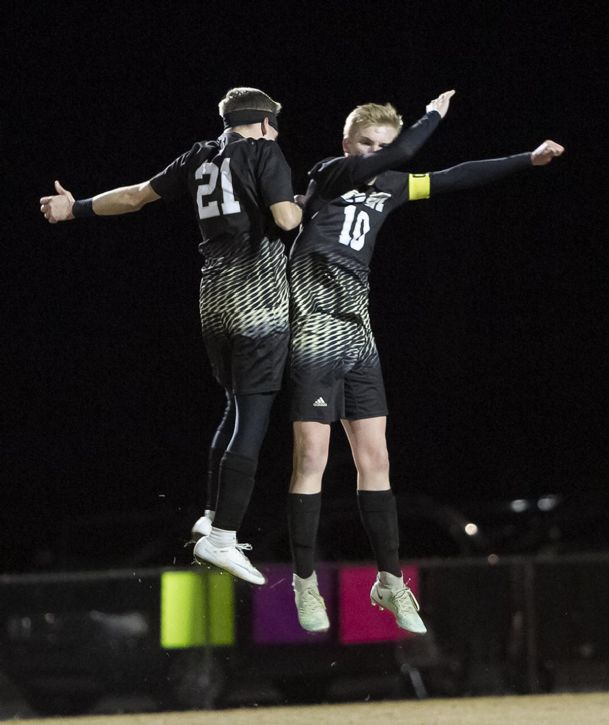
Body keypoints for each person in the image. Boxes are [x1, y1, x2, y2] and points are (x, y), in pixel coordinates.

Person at [286, 91, 564, 633]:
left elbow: (456, 175)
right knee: (312, 458)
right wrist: (432, 115)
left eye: (382, 145)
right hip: (314, 329)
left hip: (358, 332)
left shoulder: (390, 186)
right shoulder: (330, 174)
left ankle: (389, 582)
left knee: (377, 461)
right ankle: (304, 585)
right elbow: (405, 151)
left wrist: (526, 160)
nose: (377, 153)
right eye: (367, 144)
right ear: (348, 145)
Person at [40, 87, 302, 586]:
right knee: (256, 410)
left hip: (213, 298)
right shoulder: (265, 151)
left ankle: (210, 514)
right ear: (264, 123)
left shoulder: (199, 157)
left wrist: (76, 209)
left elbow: (137, 196)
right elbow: (287, 219)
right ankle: (222, 536)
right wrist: (304, 204)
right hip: (257, 298)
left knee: (235, 405)